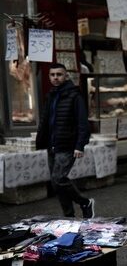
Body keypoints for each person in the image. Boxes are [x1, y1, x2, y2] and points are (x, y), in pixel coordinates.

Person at [36, 63, 95, 219]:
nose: (55, 77)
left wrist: (80, 145)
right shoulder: (51, 95)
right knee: (56, 183)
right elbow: (45, 120)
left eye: (59, 74)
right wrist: (41, 140)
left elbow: (83, 123)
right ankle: (69, 216)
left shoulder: (74, 96)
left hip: (67, 145)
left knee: (59, 178)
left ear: (66, 76)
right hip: (52, 144)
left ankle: (84, 202)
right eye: (52, 75)